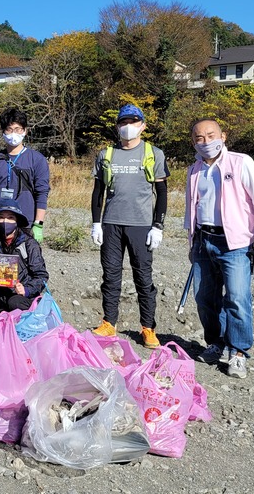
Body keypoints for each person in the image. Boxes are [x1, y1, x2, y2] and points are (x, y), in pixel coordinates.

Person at [186, 119, 254, 379]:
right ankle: (216, 342)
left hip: (235, 242)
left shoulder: (240, 162)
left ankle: (238, 352)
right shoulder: (194, 169)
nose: (205, 141)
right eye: (199, 138)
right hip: (204, 239)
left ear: (223, 136)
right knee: (204, 298)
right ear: (193, 142)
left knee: (236, 298)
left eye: (211, 135)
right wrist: (191, 243)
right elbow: (192, 207)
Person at [90, 104, 168, 349]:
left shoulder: (153, 153)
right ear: (117, 126)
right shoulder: (106, 154)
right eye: (123, 122)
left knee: (143, 277)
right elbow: (98, 192)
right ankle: (108, 322)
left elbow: (162, 192)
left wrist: (158, 225)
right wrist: (96, 223)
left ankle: (148, 327)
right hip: (111, 224)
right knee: (110, 276)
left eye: (133, 122)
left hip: (141, 225)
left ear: (143, 125)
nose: (128, 127)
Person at [0, 108, 51, 242]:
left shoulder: (37, 159)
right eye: (9, 129)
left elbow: (42, 193)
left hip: (25, 223)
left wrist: (38, 224)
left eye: (18, 129)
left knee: (24, 262)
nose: (14, 133)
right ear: (3, 132)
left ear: (25, 131)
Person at [0, 199, 49, 320]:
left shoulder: (29, 244)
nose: (5, 221)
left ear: (17, 221)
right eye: (1, 217)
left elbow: (42, 276)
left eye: (10, 218)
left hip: (23, 300)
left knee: (14, 302)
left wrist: (26, 290)